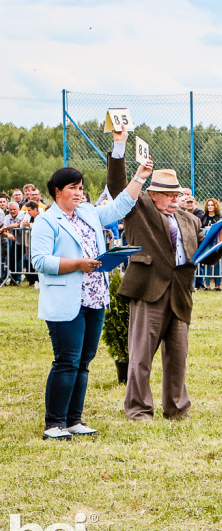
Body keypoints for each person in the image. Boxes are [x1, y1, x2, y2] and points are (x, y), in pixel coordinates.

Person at [31, 154, 152, 440]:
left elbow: (122, 205)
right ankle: (54, 423)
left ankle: (74, 420)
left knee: (84, 362)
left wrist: (140, 177)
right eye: (72, 187)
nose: (79, 192)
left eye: (81, 187)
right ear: (57, 191)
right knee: (66, 361)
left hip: (95, 298)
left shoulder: (87, 212)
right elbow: (40, 262)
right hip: (66, 301)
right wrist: (78, 264)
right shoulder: (47, 222)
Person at [108, 128, 222, 422]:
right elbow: (118, 185)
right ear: (153, 194)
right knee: (141, 357)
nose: (175, 200)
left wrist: (220, 244)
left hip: (180, 295)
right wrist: (120, 148)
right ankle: (139, 410)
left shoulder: (189, 219)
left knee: (178, 358)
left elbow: (204, 257)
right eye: (169, 196)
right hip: (149, 290)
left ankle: (177, 409)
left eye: (178, 195)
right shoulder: (139, 207)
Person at [197, 198, 222, 290]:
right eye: (208, 205)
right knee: (206, 262)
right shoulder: (203, 217)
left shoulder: (220, 217)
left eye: (212, 205)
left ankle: (217, 285)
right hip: (206, 243)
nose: (210, 207)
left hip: (216, 243)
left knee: (216, 263)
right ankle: (207, 284)